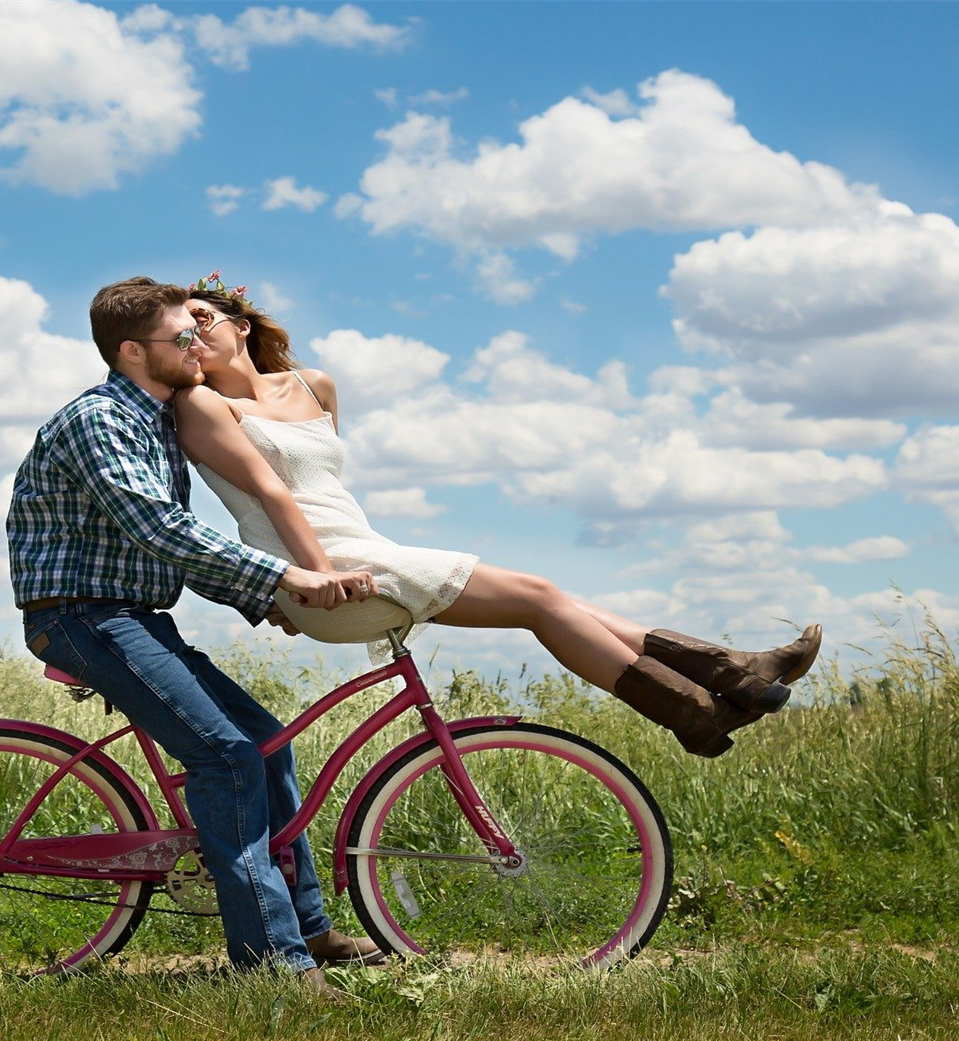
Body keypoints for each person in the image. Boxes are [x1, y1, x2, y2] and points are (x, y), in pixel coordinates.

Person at [173, 272, 822, 758]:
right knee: (541, 599)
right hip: (332, 574)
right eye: (179, 330)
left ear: (242, 324)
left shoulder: (315, 386)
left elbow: (326, 489)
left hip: (360, 550)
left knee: (549, 599)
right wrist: (293, 584)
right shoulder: (203, 407)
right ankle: (701, 704)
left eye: (202, 317)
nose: (192, 334)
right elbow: (267, 500)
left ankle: (724, 681)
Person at [6, 277, 384, 993]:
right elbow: (161, 529)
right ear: (132, 352)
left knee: (265, 743)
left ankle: (308, 927)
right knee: (228, 757)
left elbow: (160, 551)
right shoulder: (101, 420)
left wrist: (260, 594)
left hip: (133, 615)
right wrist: (282, 576)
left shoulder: (155, 422)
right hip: (82, 617)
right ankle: (273, 965)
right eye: (181, 337)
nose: (196, 346)